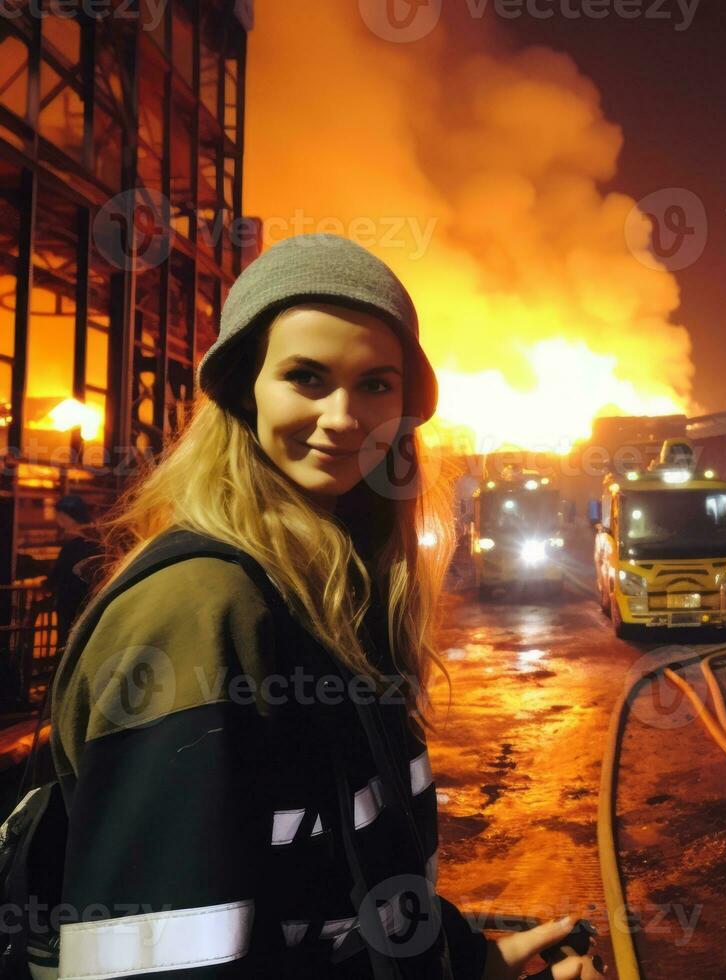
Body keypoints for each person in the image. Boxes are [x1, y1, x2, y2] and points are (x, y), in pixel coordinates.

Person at [45, 234, 603, 979]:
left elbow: (334, 882)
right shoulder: (201, 611)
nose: (344, 417)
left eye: (376, 384)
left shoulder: (332, 590)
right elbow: (158, 960)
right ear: (245, 390)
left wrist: (466, 964)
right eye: (307, 377)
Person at [41, 494, 104, 652]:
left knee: (66, 644)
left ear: (64, 516)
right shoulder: (96, 540)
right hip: (91, 601)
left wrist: (46, 584)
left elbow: (58, 575)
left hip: (70, 604)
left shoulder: (72, 544)